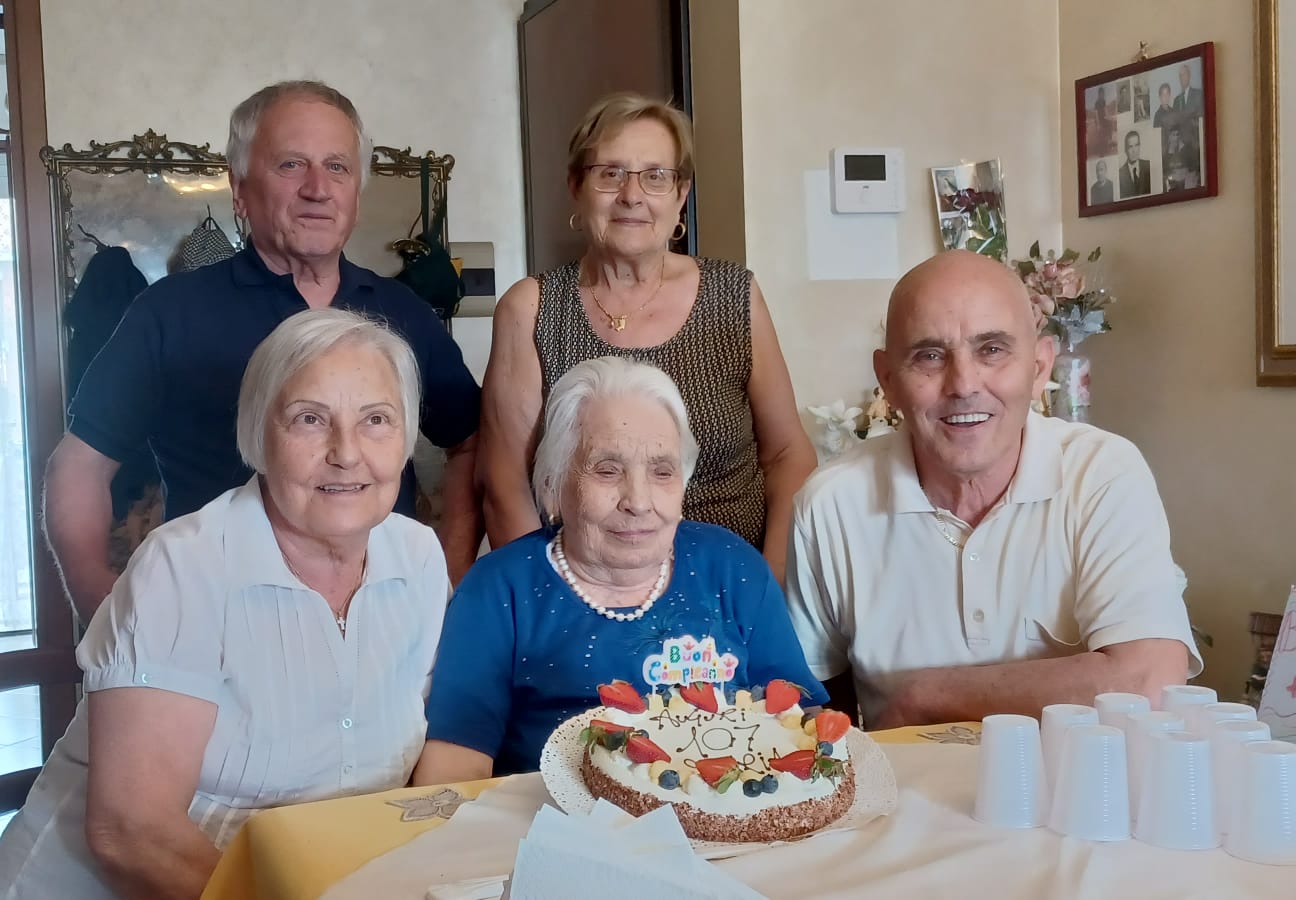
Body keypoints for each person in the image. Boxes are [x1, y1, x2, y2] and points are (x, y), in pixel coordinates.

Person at [0, 310, 452, 900]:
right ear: (259, 436)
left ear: (405, 439)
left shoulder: (419, 559)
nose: (346, 453)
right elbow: (133, 835)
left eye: (376, 420)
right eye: (309, 419)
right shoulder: (184, 568)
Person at [45, 80, 484, 623]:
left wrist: (452, 580)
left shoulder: (404, 311)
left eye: (338, 167)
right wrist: (102, 612)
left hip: (379, 622)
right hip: (215, 620)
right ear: (240, 189)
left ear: (356, 192)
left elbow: (470, 445)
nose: (318, 188)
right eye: (291, 165)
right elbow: (79, 466)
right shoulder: (169, 313)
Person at [783, 252, 1198, 729]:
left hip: (1081, 793)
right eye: (929, 356)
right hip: (905, 798)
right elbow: (817, 716)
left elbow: (1147, 683)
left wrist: (923, 697)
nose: (963, 384)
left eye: (992, 350)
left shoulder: (1101, 474)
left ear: (1040, 367)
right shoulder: (831, 506)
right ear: (888, 380)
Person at [414, 357, 825, 780]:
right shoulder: (499, 589)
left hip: (728, 823)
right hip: (555, 829)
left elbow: (800, 717)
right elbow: (455, 763)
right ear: (554, 485)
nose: (639, 501)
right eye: (607, 470)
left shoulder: (733, 567)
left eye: (662, 471)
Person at [478, 93, 814, 578]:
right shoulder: (529, 309)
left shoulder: (733, 296)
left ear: (681, 195)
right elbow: (505, 482)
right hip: (583, 594)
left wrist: (771, 582)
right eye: (610, 173)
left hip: (729, 585)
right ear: (576, 186)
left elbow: (788, 454)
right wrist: (555, 602)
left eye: (656, 176)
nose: (632, 196)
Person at [1117, 131, 1151, 198]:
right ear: (1125, 150)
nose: (1134, 150)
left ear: (1140, 146)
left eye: (1136, 145)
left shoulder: (1148, 165)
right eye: (1130, 147)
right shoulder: (1120, 174)